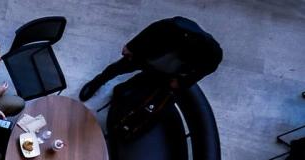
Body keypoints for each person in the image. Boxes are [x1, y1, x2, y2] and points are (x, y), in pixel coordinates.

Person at [78, 18, 222, 102]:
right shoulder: (176, 27)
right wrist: (132, 47)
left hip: (167, 71)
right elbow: (151, 31)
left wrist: (184, 81)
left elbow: (206, 69)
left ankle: (121, 91)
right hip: (147, 55)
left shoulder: (212, 53)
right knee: (117, 69)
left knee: (141, 80)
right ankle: (97, 82)